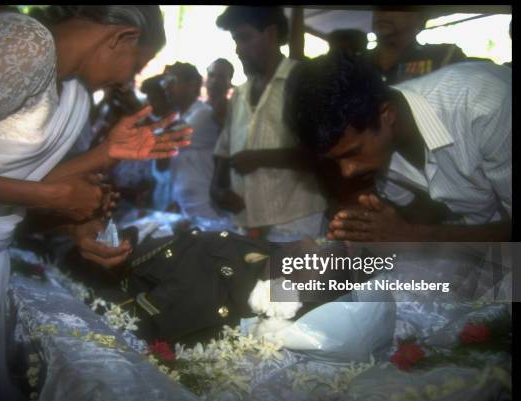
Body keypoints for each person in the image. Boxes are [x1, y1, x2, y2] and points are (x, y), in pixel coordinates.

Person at [0, 5, 192, 401]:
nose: (131, 78)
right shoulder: (22, 42)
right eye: (140, 62)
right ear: (122, 37)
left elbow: (7, 183)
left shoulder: (77, 94)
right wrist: (53, 197)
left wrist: (84, 203)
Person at [284, 52, 511, 242]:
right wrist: (373, 225)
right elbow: (429, 212)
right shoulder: (378, 147)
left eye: (353, 153)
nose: (347, 171)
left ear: (387, 115)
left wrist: (413, 236)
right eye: (334, 160)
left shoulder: (485, 105)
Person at [211, 6, 329, 242]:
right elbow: (223, 153)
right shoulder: (239, 94)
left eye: (245, 38)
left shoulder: (305, 82)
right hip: (246, 224)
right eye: (236, 40)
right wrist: (216, 189)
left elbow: (324, 154)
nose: (238, 49)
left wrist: (262, 158)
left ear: (271, 34)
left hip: (298, 223)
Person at [165, 62, 223, 219]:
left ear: (192, 85)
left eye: (172, 81)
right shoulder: (178, 116)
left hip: (205, 208)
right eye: (165, 82)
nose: (166, 87)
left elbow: (166, 139)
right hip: (184, 206)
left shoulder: (203, 114)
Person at [367, 7, 467, 85]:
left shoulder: (443, 57)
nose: (382, 13)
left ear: (420, 17)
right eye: (377, 8)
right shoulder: (358, 62)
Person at [205, 58, 234, 131]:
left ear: (230, 83)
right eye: (211, 75)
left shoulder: (235, 113)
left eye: (221, 77)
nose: (214, 81)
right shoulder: (195, 108)